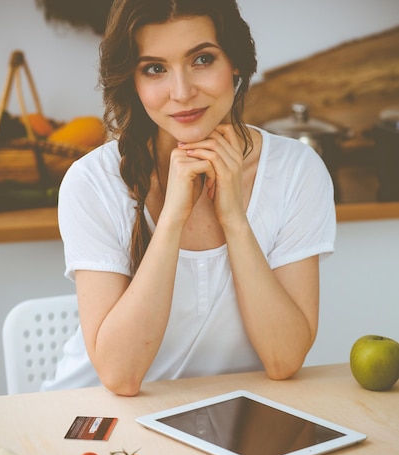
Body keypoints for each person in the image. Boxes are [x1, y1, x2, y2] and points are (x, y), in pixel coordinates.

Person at [42, 0, 336, 396]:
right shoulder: (92, 182)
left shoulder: (297, 171)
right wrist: (173, 218)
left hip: (223, 420)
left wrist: (233, 217)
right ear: (133, 79)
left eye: (201, 59)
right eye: (155, 68)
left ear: (235, 62)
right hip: (95, 418)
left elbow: (284, 359)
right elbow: (120, 376)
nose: (181, 92)